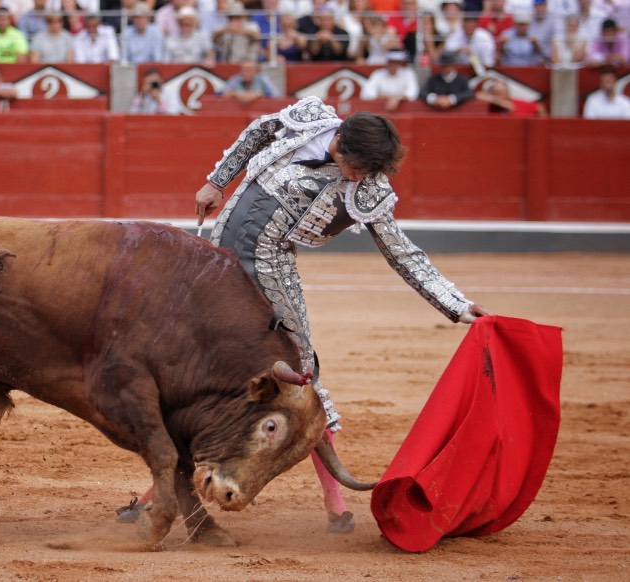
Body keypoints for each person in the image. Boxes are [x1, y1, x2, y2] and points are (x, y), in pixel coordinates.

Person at [187, 97, 489, 534]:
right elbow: (256, 134)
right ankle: (162, 490)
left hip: (269, 274)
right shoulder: (307, 120)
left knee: (301, 376)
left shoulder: (368, 191)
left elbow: (402, 253)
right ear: (340, 143)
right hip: (220, 260)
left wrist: (458, 305)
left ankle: (334, 497)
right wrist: (216, 182)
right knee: (191, 362)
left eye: (370, 171)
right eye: (359, 167)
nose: (362, 177)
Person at [475, 78, 547, 116]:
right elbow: (478, 95)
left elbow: (539, 107)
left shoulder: (519, 104)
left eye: (501, 93)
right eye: (496, 93)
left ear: (508, 93)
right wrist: (501, 103)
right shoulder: (491, 106)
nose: (500, 96)